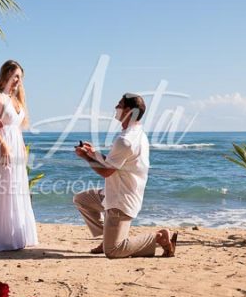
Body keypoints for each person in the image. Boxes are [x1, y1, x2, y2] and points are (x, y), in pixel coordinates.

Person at [73, 93, 177, 258]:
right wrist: (94, 154)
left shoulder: (125, 140)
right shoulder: (137, 133)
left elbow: (107, 172)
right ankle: (109, 235)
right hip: (114, 193)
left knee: (113, 251)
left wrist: (85, 157)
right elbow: (114, 164)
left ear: (128, 111)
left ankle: (159, 238)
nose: (116, 107)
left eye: (119, 105)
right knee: (82, 199)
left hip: (121, 201)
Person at [0, 60, 39, 252]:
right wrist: (4, 145)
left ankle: (15, 235)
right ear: (6, 74)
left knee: (16, 188)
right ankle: (0, 238)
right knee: (2, 189)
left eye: (20, 78)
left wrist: (21, 147)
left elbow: (17, 128)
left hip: (16, 147)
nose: (18, 81)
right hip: (0, 147)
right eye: (15, 76)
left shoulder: (16, 99)